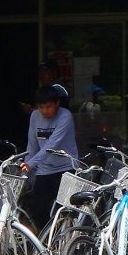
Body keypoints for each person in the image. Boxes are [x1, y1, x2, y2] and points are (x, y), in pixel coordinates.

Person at [21, 87, 78, 225]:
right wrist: (25, 167)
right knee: (37, 209)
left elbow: (51, 145)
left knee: (63, 211)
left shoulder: (65, 116)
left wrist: (31, 164)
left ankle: (62, 241)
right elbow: (32, 144)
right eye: (41, 107)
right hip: (45, 169)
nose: (44, 111)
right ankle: (46, 242)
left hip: (66, 168)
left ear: (57, 103)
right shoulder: (35, 116)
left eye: (48, 107)